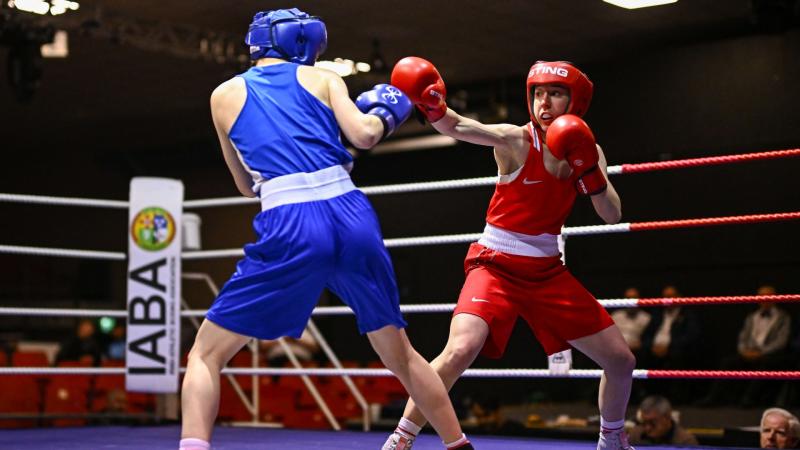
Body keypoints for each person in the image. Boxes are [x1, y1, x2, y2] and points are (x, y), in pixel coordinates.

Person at [179, 10, 473, 450]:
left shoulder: (222, 95)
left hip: (290, 221)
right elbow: (366, 135)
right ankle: (457, 445)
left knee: (206, 354)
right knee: (402, 356)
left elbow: (244, 185)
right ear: (304, 44)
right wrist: (392, 107)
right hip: (350, 212)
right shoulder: (324, 79)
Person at [385, 58, 636, 450]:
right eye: (538, 93)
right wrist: (432, 106)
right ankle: (402, 438)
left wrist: (589, 172)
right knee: (459, 350)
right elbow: (459, 126)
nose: (544, 103)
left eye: (555, 93)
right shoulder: (516, 139)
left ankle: (611, 438)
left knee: (621, 361)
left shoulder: (589, 150)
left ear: (577, 102)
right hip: (495, 264)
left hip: (547, 272)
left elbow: (612, 214)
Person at [627, 395, 698, 446]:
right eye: (644, 422)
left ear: (667, 418)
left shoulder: (686, 442)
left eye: (652, 423)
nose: (647, 428)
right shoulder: (635, 435)